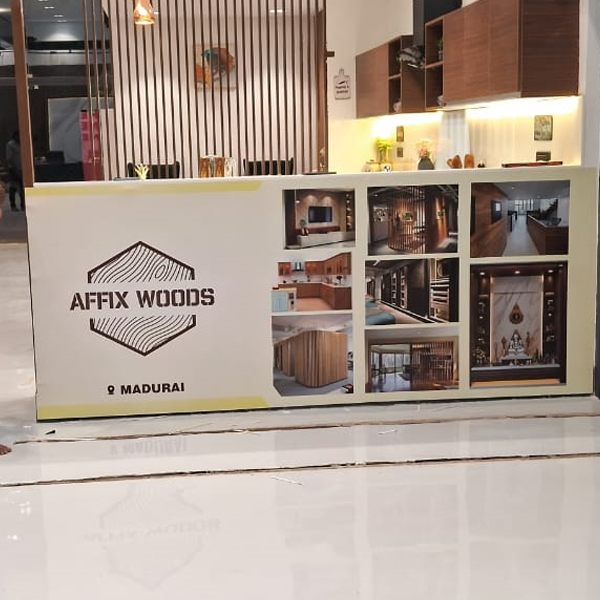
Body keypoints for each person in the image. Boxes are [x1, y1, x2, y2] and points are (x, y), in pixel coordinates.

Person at [6, 130, 24, 211]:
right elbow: (9, 158)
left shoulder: (22, 144)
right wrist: (13, 169)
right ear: (15, 136)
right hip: (13, 169)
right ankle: (13, 205)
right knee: (13, 187)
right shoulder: (10, 145)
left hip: (22, 168)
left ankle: (23, 205)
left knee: (22, 188)